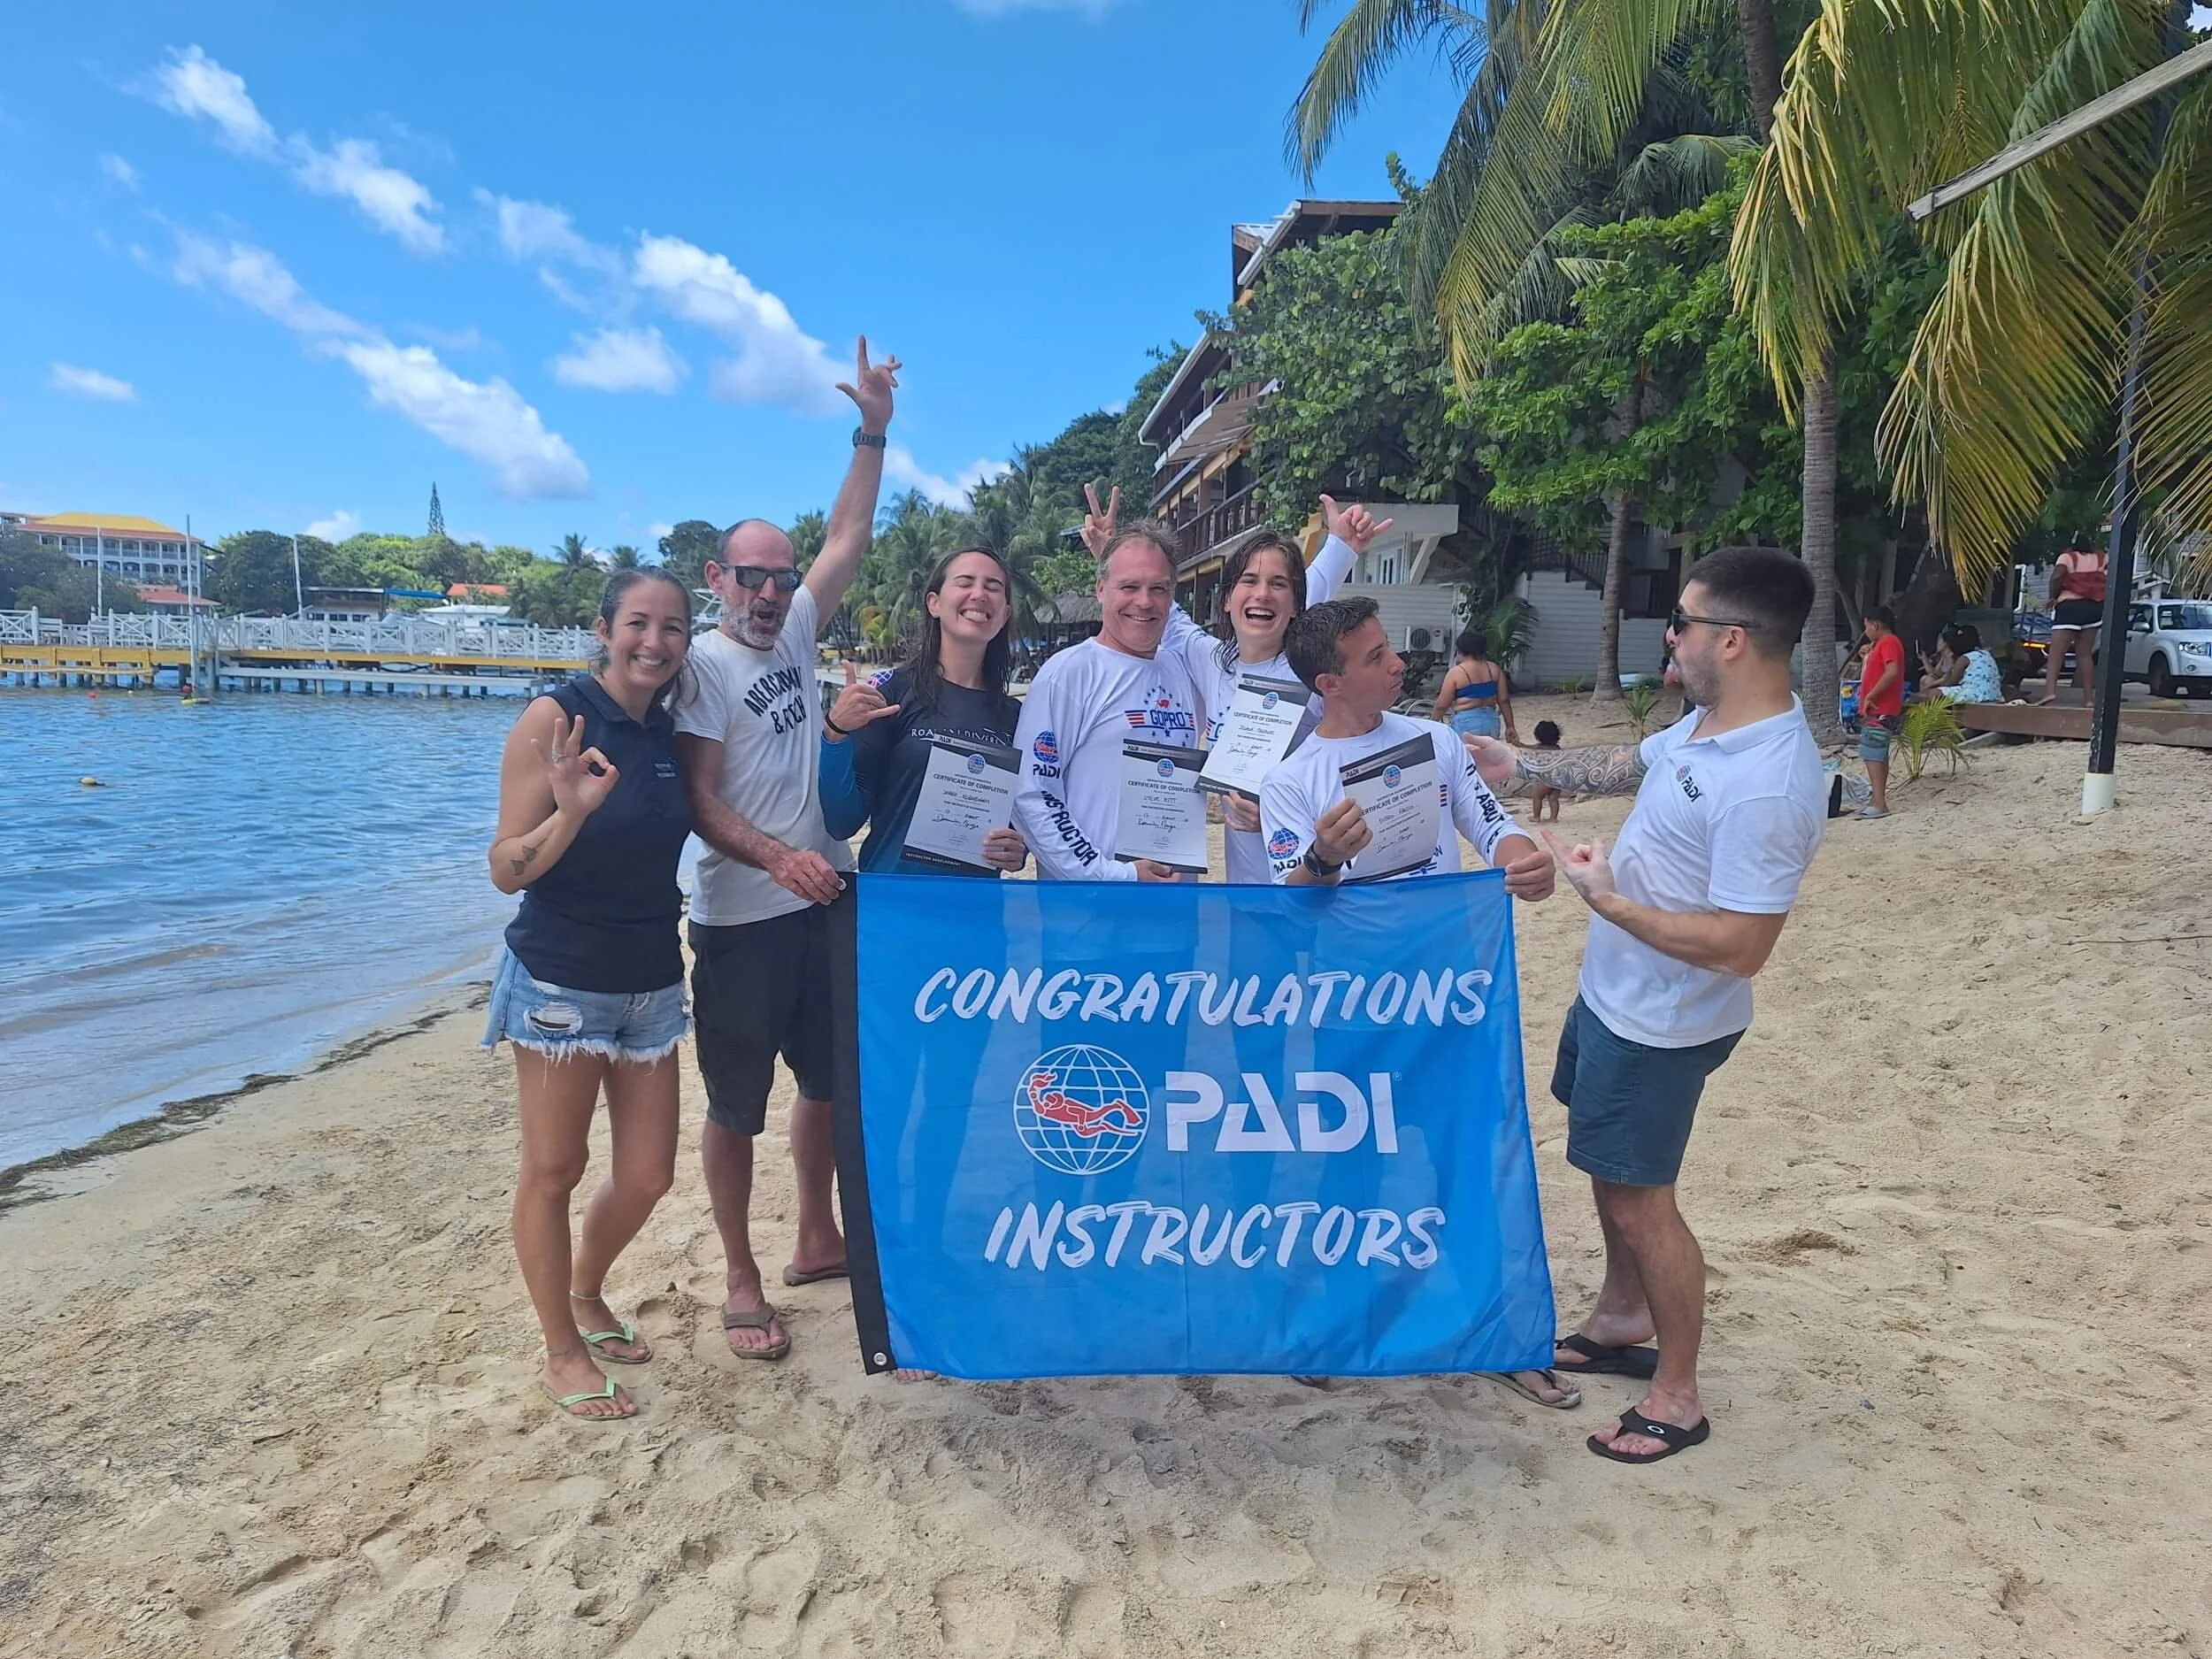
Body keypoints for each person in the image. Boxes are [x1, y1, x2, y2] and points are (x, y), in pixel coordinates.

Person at [1464, 545, 1825, 1464]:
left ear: (1732, 640)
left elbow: (1742, 947)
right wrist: (1516, 763)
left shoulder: (1769, 782)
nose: (1671, 637)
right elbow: (1635, 761)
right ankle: (1622, 1317)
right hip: (1617, 997)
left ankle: (1676, 1394)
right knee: (1607, 1165)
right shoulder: (1709, 723)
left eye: (1683, 623)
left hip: (1663, 1024)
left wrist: (1610, 902)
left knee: (1640, 1202)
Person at [673, 337, 897, 1362]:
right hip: (741, 918)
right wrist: (775, 859)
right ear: (717, 580)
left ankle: (815, 1236)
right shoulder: (701, 667)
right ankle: (740, 1274)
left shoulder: (799, 630)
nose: (769, 593)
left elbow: (849, 532)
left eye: (780, 576)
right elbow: (698, 802)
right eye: (751, 577)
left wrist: (871, 430)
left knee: (826, 1083)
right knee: (735, 1107)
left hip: (821, 904)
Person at [484, 567, 697, 1420]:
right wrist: (569, 811)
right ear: (605, 629)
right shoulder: (555, 717)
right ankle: (560, 1349)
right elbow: (506, 869)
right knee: (555, 1168)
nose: (655, 641)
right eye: (638, 623)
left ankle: (583, 1289)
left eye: (672, 627)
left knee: (647, 1175)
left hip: (652, 980)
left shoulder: (668, 731)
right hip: (559, 981)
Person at [1077, 485, 1386, 883]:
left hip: (1315, 881)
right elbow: (1158, 607)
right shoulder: (1210, 661)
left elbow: (1351, 772)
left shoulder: (1314, 674)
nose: (1263, 594)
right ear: (1226, 600)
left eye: (1279, 585)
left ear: (1297, 605)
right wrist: (1111, 553)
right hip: (1246, 888)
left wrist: (1276, 812)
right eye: (1249, 581)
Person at [1012, 518, 1203, 881]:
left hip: (1174, 903)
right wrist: (1113, 875)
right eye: (1129, 586)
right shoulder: (1068, 673)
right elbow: (1033, 796)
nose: (1144, 601)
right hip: (1089, 906)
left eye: (1159, 588)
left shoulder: (1184, 672)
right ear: (1100, 590)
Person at [818, 544, 1027, 874]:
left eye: (993, 587)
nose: (979, 594)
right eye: (965, 582)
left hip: (979, 904)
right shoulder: (892, 694)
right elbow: (841, 822)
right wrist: (835, 732)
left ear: (1004, 615)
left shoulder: (1017, 717)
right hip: (893, 900)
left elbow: (1021, 821)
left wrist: (1016, 849)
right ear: (934, 603)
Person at [2039, 541, 2108, 705]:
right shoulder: (2102, 558)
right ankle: (2088, 699)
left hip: (2069, 607)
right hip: (2093, 607)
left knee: (2056, 654)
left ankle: (2050, 692)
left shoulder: (2067, 557)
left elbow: (2057, 576)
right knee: (2085, 654)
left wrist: (2052, 597)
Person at [1855, 606, 1905, 821]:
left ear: (1875, 625)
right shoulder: (1881, 645)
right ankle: (1877, 800)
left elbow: (1892, 672)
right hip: (1879, 707)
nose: (1866, 632)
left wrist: (1871, 696)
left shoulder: (1889, 642)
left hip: (1880, 708)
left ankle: (1878, 802)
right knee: (1877, 752)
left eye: (1867, 627)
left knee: (1873, 752)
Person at [1432, 630, 1520, 745]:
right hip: (1491, 721)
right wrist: (1510, 726)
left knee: (1466, 755)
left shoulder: (1456, 673)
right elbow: (1504, 700)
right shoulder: (1494, 669)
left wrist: (1432, 725)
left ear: (1460, 651)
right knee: (1486, 755)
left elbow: (1441, 705)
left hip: (1466, 722)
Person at [1919, 622, 2001, 705]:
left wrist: (1935, 686)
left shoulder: (1964, 658)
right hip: (1994, 695)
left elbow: (1951, 682)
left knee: (1933, 693)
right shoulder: (1986, 654)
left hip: (1975, 694)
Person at [1526, 719, 1565, 822]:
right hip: (1557, 778)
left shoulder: (1538, 748)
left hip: (1544, 778)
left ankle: (1536, 817)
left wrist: (1515, 742)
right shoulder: (1557, 748)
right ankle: (1553, 818)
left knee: (1537, 797)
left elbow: (1525, 748)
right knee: (1553, 798)